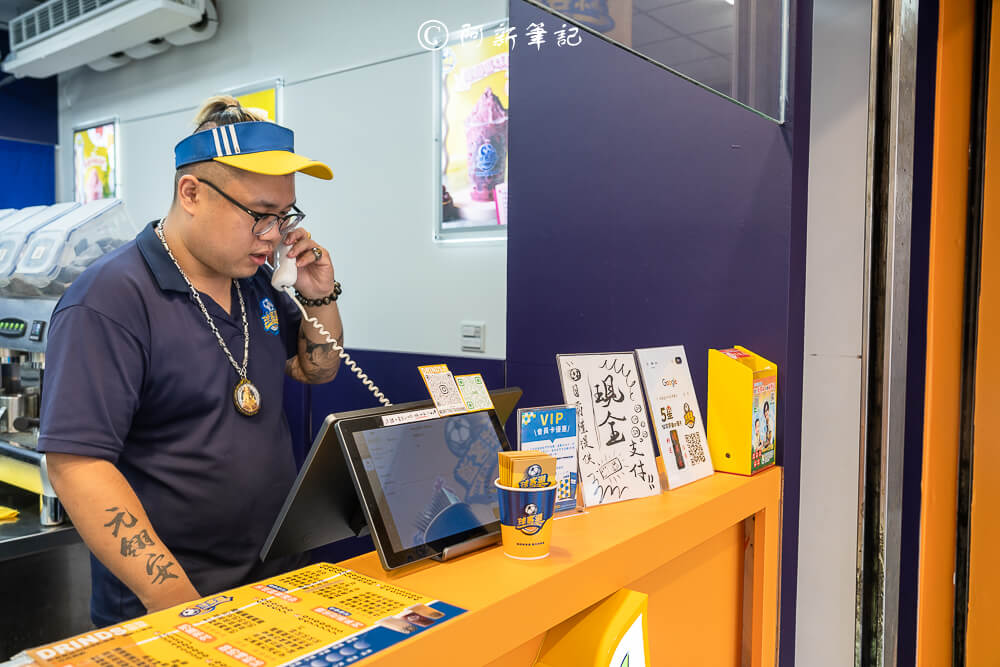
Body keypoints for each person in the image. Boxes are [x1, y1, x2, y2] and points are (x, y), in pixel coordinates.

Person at [39, 96, 343, 626]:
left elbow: (316, 368)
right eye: (258, 216)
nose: (273, 237)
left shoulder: (256, 287)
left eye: (284, 216)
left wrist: (319, 297)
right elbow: (76, 465)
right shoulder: (109, 300)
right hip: (171, 604)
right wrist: (180, 606)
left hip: (274, 583)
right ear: (192, 193)